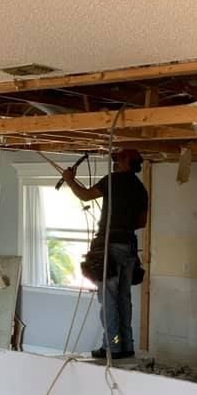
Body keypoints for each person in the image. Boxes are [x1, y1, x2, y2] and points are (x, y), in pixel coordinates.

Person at [62, 148, 148, 359]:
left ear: (128, 161)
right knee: (123, 297)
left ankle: (112, 345)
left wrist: (70, 180)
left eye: (118, 158)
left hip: (110, 248)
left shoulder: (114, 180)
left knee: (108, 299)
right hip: (129, 248)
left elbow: (85, 195)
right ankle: (125, 344)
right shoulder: (140, 188)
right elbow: (141, 222)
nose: (115, 162)